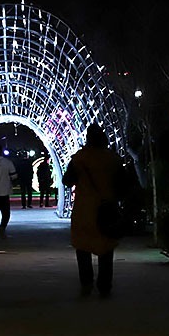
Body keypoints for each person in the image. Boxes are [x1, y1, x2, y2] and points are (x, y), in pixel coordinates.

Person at [62, 124, 126, 297]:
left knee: (82, 248)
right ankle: (105, 286)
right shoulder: (113, 159)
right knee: (106, 248)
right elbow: (123, 184)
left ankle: (86, 283)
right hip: (107, 209)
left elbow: (67, 181)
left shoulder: (79, 159)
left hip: (84, 210)